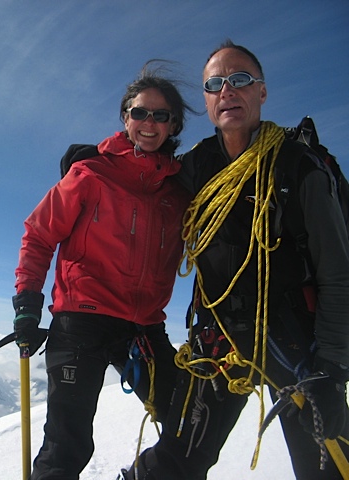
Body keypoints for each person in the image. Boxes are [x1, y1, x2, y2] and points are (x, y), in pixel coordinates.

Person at [132, 40, 349, 479]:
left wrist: (335, 366)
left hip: (296, 345)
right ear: (208, 100)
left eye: (241, 79)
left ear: (262, 92)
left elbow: (338, 272)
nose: (227, 89)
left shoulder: (297, 166)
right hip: (219, 340)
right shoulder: (194, 167)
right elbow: (141, 167)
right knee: (173, 461)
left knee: (329, 469)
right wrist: (96, 159)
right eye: (215, 83)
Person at [12, 62, 195, 479]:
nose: (148, 123)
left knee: (188, 424)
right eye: (139, 112)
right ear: (125, 117)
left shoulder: (179, 191)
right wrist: (27, 303)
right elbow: (40, 234)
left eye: (160, 115)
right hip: (81, 321)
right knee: (66, 445)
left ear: (173, 125)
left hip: (144, 327)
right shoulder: (90, 173)